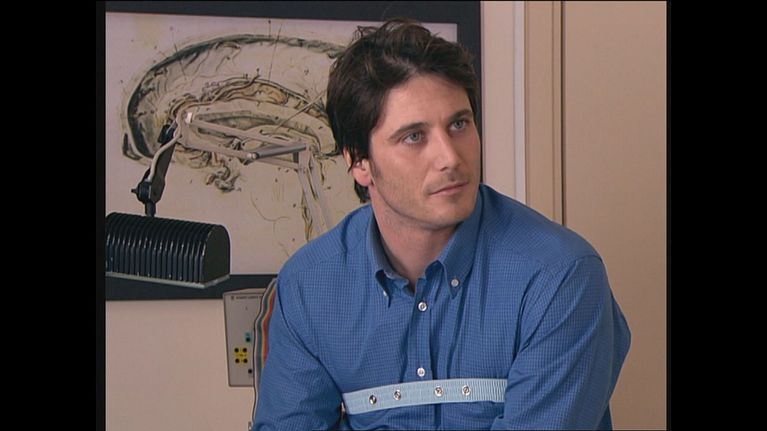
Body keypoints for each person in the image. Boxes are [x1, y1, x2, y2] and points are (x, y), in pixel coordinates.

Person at [253, 18, 630, 430]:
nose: (450, 157)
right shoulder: (308, 287)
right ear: (359, 161)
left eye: (459, 124)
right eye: (414, 136)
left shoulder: (560, 277)